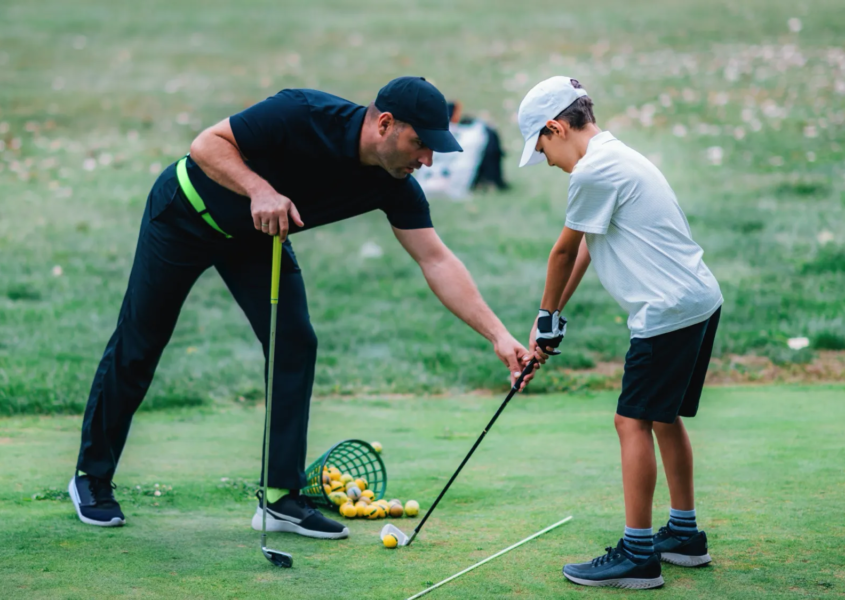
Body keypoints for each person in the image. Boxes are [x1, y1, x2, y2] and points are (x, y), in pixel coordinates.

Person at [70, 76, 533, 539]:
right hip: (184, 215)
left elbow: (436, 259)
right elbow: (205, 144)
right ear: (385, 124)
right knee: (141, 340)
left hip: (256, 240)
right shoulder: (300, 112)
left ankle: (279, 499)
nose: (427, 160)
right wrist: (258, 189)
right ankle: (91, 478)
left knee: (294, 343)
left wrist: (498, 335)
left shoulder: (394, 183)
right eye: (420, 144)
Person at [517, 76, 723, 589]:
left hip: (667, 311)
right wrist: (553, 320)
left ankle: (638, 555)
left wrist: (543, 320)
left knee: (630, 422)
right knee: (663, 416)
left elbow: (562, 252)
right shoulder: (618, 155)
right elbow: (590, 242)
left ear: (555, 127)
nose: (546, 160)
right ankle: (684, 535)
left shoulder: (594, 170)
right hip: (698, 300)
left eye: (541, 147)